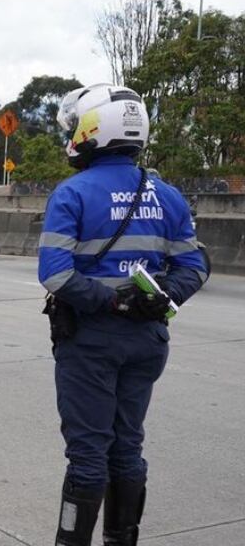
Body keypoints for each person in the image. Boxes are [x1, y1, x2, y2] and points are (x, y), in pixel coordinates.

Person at [38, 83, 208, 545]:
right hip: (147, 342)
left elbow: (54, 275)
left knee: (88, 455)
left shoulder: (72, 194)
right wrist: (159, 297)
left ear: (94, 129)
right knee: (127, 446)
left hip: (91, 342)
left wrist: (109, 301)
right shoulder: (168, 195)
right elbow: (194, 266)